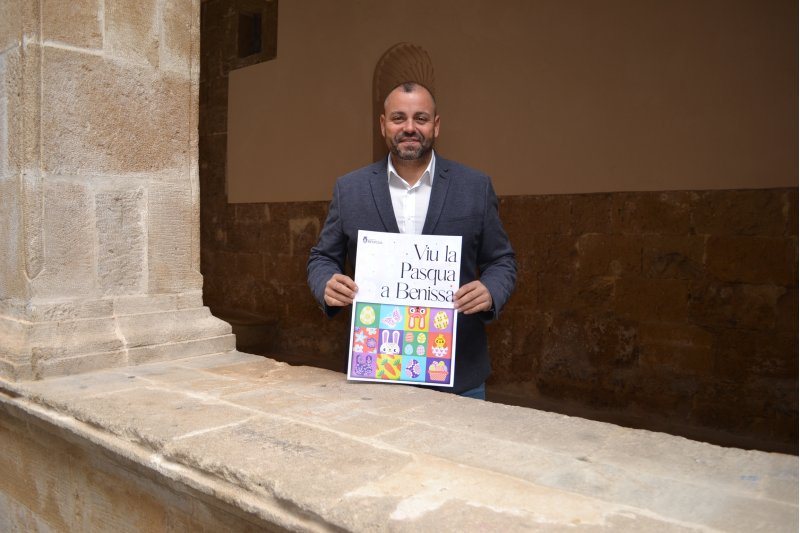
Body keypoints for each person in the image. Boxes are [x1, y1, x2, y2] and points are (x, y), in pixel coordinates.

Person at [307, 81, 516, 399]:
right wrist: (325, 283)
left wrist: (491, 290)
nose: (409, 127)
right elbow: (322, 257)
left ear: (436, 125)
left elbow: (502, 260)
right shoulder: (350, 189)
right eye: (398, 118)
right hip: (376, 370)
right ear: (382, 125)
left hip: (459, 374)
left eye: (420, 118)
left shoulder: (475, 186)